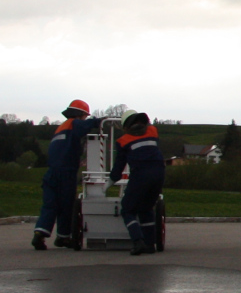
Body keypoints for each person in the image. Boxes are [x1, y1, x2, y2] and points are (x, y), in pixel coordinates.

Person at [32, 100, 97, 251]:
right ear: (80, 114)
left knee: (49, 205)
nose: (85, 119)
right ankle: (63, 237)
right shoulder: (74, 123)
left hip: (51, 173)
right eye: (85, 116)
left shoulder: (60, 128)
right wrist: (99, 121)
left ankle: (39, 234)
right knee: (66, 205)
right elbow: (85, 126)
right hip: (66, 173)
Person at [110, 110, 166, 257]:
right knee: (146, 208)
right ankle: (150, 244)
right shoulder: (153, 131)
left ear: (126, 126)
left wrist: (110, 181)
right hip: (159, 174)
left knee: (127, 209)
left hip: (140, 175)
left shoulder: (123, 141)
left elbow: (119, 166)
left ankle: (137, 242)